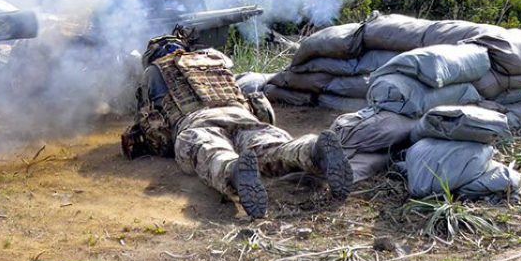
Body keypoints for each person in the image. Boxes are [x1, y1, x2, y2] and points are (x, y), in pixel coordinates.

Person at [122, 32, 352, 218]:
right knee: (271, 147)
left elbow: (155, 129)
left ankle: (233, 172)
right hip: (241, 115)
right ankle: (312, 150)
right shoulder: (212, 58)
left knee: (210, 152)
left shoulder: (154, 72)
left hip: (197, 122)